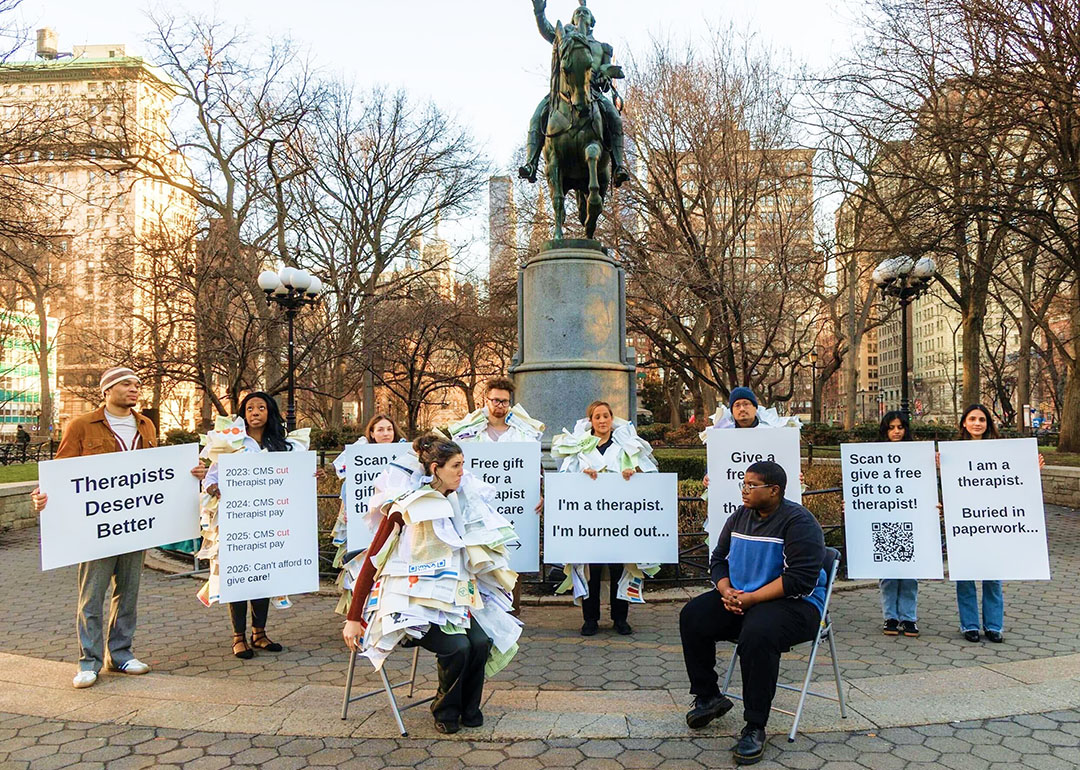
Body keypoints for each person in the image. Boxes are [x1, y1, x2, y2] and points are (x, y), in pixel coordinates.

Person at [30, 367, 207, 689]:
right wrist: (42, 495)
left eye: (137, 384)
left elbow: (156, 472)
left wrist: (190, 473)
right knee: (92, 596)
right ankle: (88, 662)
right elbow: (61, 472)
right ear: (107, 390)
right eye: (126, 384)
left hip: (134, 526)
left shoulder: (146, 425)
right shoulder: (82, 425)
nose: (134, 389)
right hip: (97, 527)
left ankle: (121, 654)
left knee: (128, 594)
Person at [342, 434, 521, 734]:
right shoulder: (404, 506)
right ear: (436, 468)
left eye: (463, 464)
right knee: (458, 647)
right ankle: (445, 710)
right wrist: (353, 618)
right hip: (411, 603)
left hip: (453, 598)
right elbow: (373, 560)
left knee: (481, 642)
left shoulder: (462, 502)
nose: (462, 472)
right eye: (456, 466)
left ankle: (469, 708)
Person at [679, 461, 827, 765]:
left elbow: (799, 580)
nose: (744, 490)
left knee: (758, 633)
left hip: (797, 605)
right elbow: (718, 560)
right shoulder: (739, 516)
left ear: (774, 491)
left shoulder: (799, 522)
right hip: (744, 597)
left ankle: (755, 726)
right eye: (743, 484)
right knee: (693, 615)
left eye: (751, 485)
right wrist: (727, 592)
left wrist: (751, 599)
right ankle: (708, 696)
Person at [200, 392, 308, 659]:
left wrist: (311, 474)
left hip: (271, 520)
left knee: (263, 576)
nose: (255, 412)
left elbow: (298, 476)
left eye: (261, 407)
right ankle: (238, 637)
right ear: (243, 413)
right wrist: (213, 488)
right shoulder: (231, 443)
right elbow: (210, 478)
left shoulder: (283, 446)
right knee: (239, 576)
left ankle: (259, 633)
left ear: (270, 412)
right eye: (250, 408)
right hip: (237, 522)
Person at [551, 400, 658, 636]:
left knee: (620, 567)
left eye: (606, 416)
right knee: (592, 569)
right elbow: (564, 477)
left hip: (619, 519)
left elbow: (647, 474)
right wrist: (581, 475)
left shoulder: (625, 446)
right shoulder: (579, 448)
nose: (602, 421)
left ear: (612, 419)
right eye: (597, 417)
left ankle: (620, 618)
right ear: (590, 421)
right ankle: (590, 619)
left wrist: (632, 473)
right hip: (588, 520)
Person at [448, 377, 546, 614]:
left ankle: (512, 612)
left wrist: (542, 493)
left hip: (515, 509)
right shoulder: (468, 435)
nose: (500, 405)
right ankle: (480, 614)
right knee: (479, 558)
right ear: (486, 400)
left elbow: (536, 467)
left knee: (514, 559)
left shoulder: (523, 434)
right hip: (476, 510)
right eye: (495, 400)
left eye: (504, 401)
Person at [951, 404, 1043, 644]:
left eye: (982, 419)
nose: (977, 423)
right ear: (964, 423)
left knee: (992, 577)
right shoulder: (953, 453)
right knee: (965, 576)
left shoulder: (1003, 451)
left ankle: (994, 626)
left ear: (988, 424)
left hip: (994, 522)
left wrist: (1032, 468)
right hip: (965, 522)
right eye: (972, 419)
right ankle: (969, 625)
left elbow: (1015, 481)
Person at [518, 0, 628, 186]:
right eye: (578, 12)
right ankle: (531, 162)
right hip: (564, 90)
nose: (581, 14)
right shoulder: (566, 39)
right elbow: (546, 30)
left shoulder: (603, 47)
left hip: (592, 92)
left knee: (615, 119)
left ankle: (618, 166)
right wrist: (539, 11)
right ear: (573, 19)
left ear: (592, 21)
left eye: (585, 12)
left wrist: (605, 75)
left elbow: (606, 72)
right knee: (537, 116)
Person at [330, 413, 408, 617]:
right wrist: (348, 509)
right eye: (380, 429)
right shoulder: (360, 456)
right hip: (363, 523)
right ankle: (360, 614)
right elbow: (350, 485)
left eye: (389, 429)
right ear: (372, 433)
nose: (386, 433)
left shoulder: (406, 455)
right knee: (362, 567)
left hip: (393, 520)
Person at [874, 411, 920, 637]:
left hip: (910, 518)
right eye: (891, 427)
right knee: (889, 574)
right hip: (885, 520)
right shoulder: (873, 456)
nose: (896, 432)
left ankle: (909, 617)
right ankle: (890, 616)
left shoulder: (917, 454)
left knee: (910, 574)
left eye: (900, 427)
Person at [702, 387, 802, 488]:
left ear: (755, 408)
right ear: (732, 411)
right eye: (737, 405)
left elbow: (784, 461)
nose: (742, 409)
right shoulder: (721, 435)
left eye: (746, 404)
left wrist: (794, 477)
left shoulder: (774, 433)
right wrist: (708, 476)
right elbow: (716, 463)